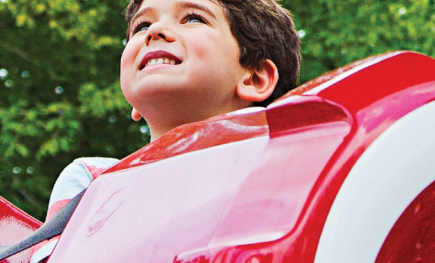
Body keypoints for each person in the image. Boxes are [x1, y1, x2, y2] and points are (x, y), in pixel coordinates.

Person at [45, 0, 301, 218]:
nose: (155, 30)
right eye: (142, 26)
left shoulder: (290, 179)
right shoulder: (90, 184)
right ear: (134, 105)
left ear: (254, 79)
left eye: (192, 18)